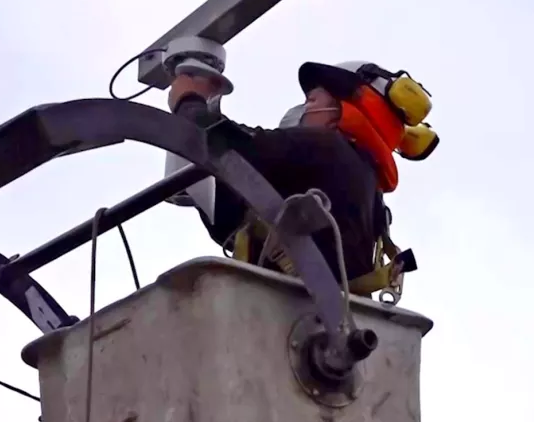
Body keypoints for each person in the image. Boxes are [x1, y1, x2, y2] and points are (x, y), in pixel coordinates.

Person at [167, 61, 434, 289]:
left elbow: (222, 142)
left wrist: (189, 100)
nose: (303, 112)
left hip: (281, 314)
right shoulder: (369, 195)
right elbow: (232, 222)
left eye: (311, 101)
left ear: (346, 110)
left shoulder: (327, 148)